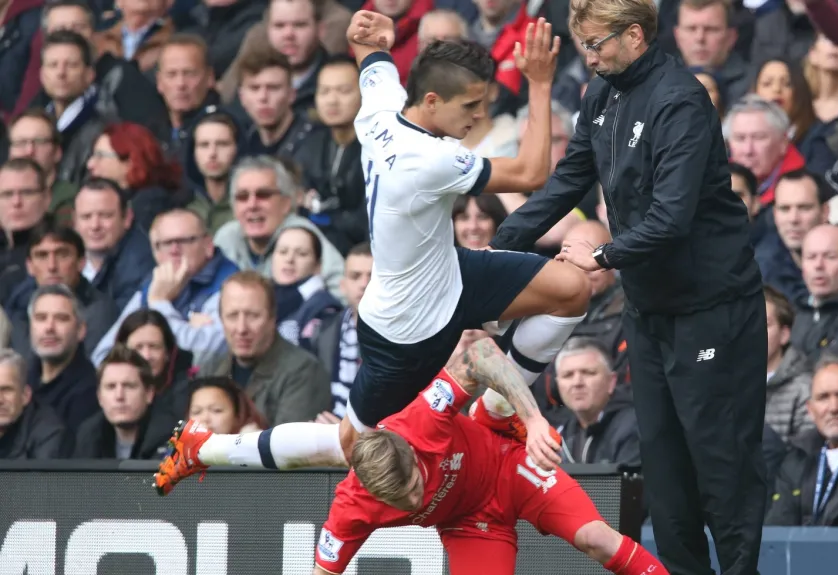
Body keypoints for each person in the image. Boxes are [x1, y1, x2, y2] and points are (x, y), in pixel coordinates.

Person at [488, 0, 767, 573]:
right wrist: (499, 246)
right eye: (583, 46)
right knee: (664, 474)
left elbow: (673, 218)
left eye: (596, 45)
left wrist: (603, 255)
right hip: (649, 309)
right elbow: (568, 180)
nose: (587, 59)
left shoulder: (680, 100)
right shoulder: (601, 95)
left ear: (635, 35)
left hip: (711, 307)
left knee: (721, 466)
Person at [153, 338, 669, 575]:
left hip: (510, 471)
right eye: (405, 500)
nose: (418, 498)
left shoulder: (421, 420)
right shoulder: (350, 508)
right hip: (470, 526)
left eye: (417, 483)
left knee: (598, 540)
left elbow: (481, 354)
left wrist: (533, 419)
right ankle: (204, 448)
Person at [327, 12, 590, 464]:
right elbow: (531, 171)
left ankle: (496, 410)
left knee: (572, 290)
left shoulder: (379, 110)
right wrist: (541, 83)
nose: (479, 115)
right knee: (353, 447)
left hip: (451, 270)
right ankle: (212, 448)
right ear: (431, 101)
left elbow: (372, 61)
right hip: (407, 322)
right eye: (470, 106)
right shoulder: (431, 159)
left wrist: (370, 41)